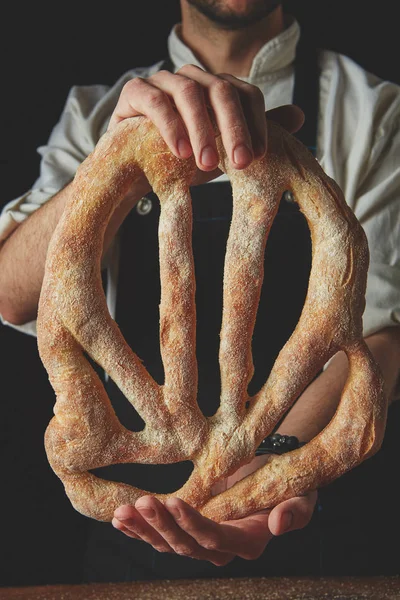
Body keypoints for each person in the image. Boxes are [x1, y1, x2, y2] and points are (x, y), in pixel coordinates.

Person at [1, 0, 400, 583]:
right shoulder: (94, 112)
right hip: (129, 517)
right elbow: (12, 291)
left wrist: (279, 457)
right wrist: (115, 153)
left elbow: (383, 332)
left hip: (307, 522)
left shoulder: (376, 110)